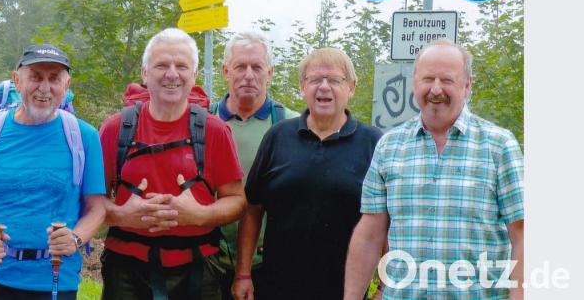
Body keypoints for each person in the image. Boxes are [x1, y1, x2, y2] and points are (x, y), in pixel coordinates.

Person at [343, 40, 524, 300]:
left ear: (467, 85)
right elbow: (370, 233)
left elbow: (522, 234)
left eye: (447, 80)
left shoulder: (498, 145)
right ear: (415, 83)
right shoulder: (389, 146)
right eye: (428, 79)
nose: (436, 89)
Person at [99, 27, 247, 300]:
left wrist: (199, 215)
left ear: (194, 75)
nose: (172, 73)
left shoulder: (214, 131)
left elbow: (236, 200)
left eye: (181, 65)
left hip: (198, 270)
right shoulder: (116, 129)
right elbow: (90, 201)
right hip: (126, 271)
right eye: (161, 65)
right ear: (145, 74)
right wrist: (122, 215)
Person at [0, 43, 107, 299]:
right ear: (17, 81)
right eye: (35, 77)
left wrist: (76, 239)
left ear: (66, 86)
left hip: (55, 280)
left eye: (54, 78)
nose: (44, 88)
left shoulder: (84, 137)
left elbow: (97, 207)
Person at [235, 47, 382, 300]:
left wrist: (384, 286)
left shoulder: (374, 143)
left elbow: (386, 220)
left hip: (347, 291)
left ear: (352, 87)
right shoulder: (278, 137)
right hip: (277, 287)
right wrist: (243, 274)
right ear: (303, 86)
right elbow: (252, 208)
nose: (324, 87)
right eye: (315, 80)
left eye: (335, 80)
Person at [209, 31, 298, 298]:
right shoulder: (203, 123)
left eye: (257, 67)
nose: (249, 74)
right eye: (240, 66)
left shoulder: (291, 126)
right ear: (226, 71)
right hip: (210, 262)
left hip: (270, 264)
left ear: (269, 73)